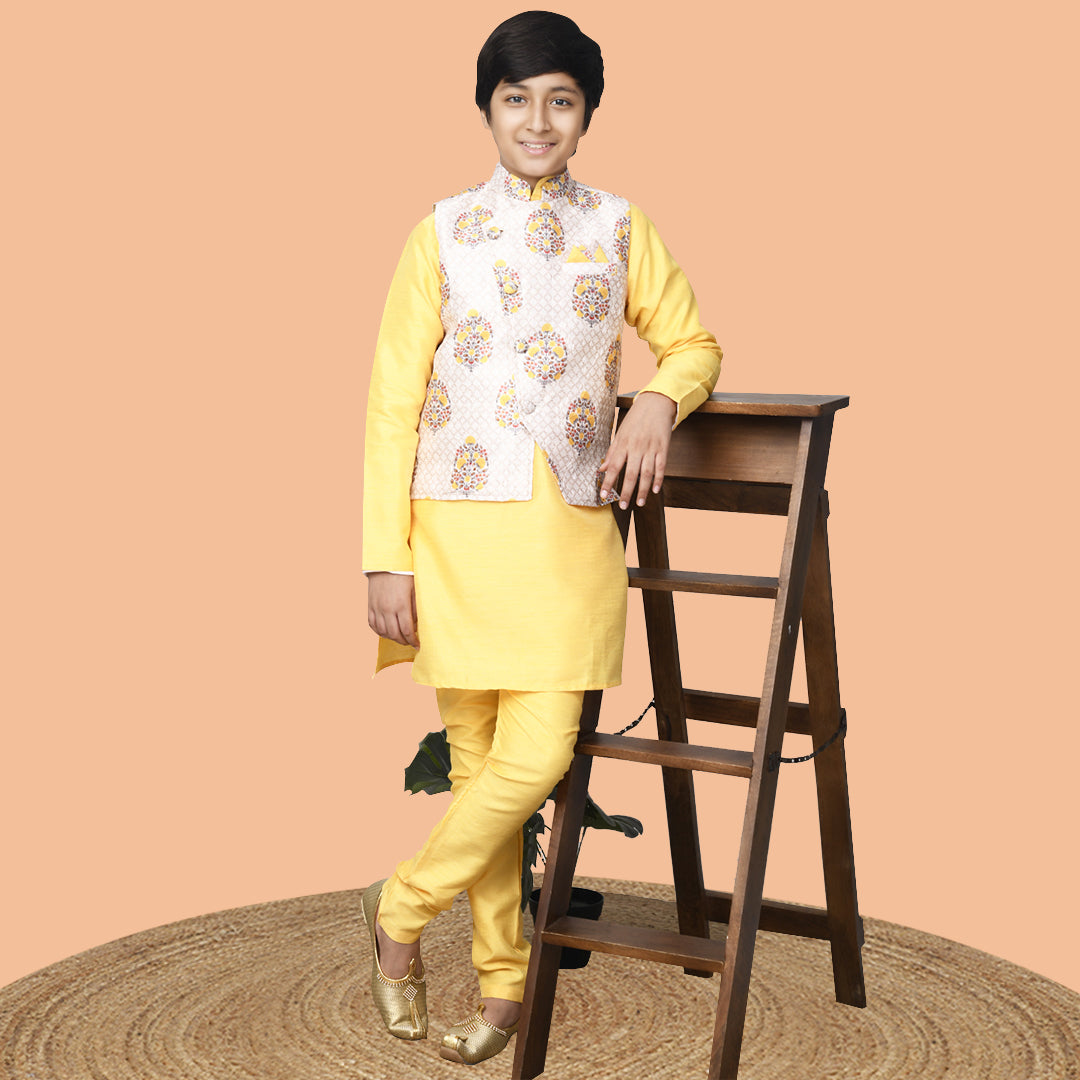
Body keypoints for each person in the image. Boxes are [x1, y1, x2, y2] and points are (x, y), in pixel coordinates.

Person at [361, 10, 722, 1066]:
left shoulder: (621, 227)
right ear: (487, 109)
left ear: (587, 115)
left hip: (565, 544)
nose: (537, 120)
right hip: (452, 541)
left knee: (535, 758)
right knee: (479, 769)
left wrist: (658, 403)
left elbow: (693, 341)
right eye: (516, 99)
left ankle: (398, 911)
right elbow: (391, 405)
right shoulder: (439, 232)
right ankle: (506, 994)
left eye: (560, 101)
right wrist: (384, 556)